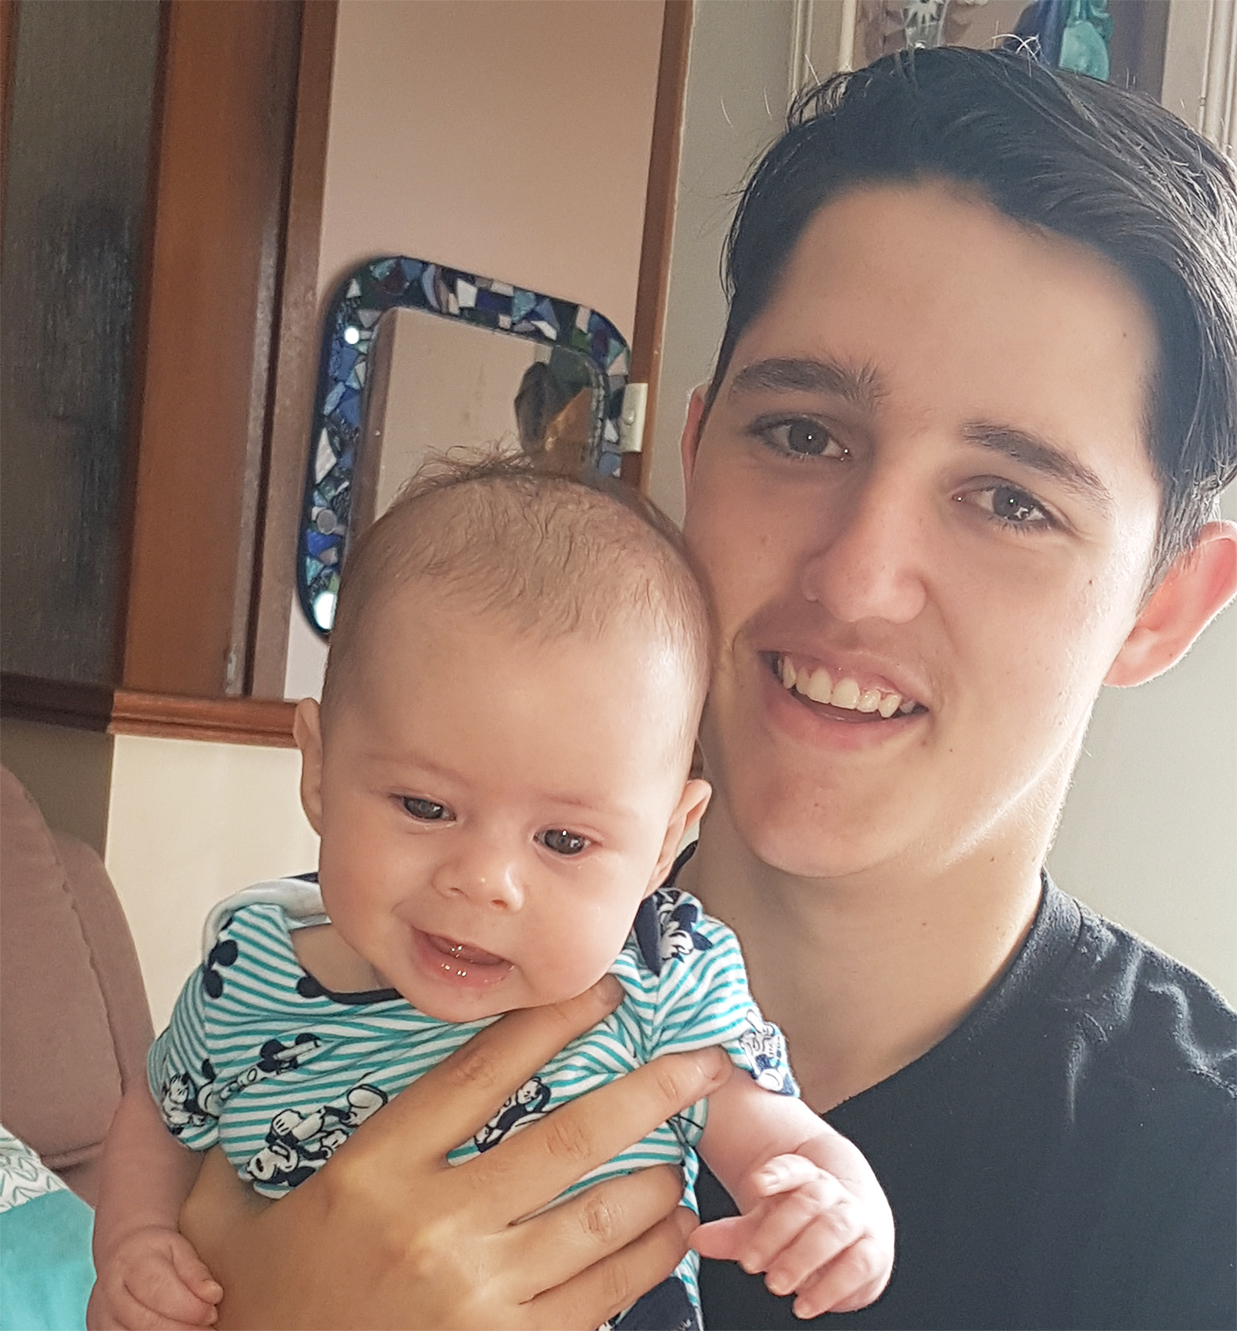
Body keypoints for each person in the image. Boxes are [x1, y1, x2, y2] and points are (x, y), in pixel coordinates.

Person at [175, 46, 1237, 1331]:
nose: (857, 578)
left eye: (1011, 500)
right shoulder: (344, 961)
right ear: (690, 452)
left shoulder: (1197, 1192)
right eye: (802, 433)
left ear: (1164, 604)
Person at [88, 460, 894, 1331]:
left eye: (564, 841)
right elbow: (160, 1119)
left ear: (664, 842)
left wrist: (833, 1209)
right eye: (425, 806)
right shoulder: (251, 967)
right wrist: (134, 1240)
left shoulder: (662, 975)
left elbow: (781, 1135)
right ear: (318, 769)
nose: (483, 881)